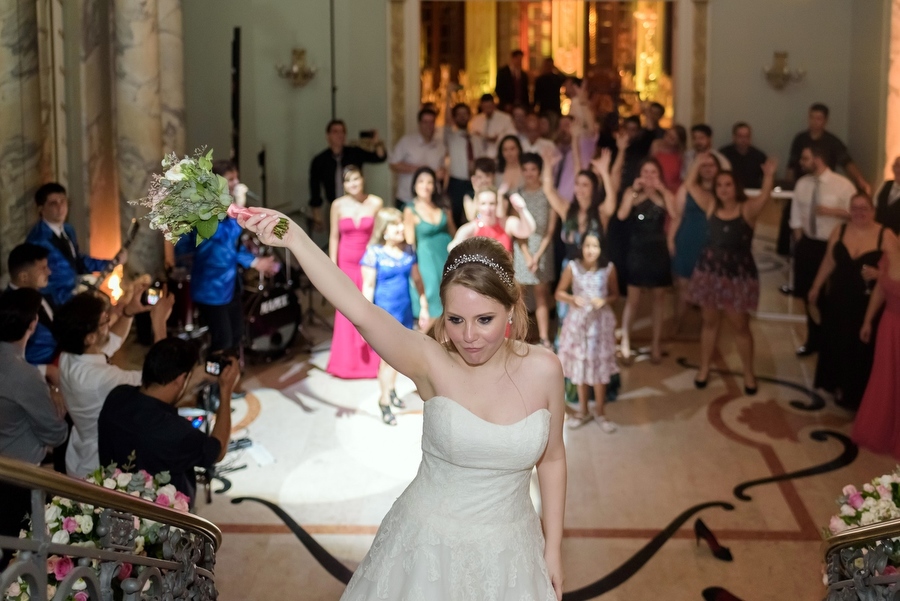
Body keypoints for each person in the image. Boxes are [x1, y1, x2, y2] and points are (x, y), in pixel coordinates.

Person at [237, 209, 566, 600]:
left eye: (484, 319)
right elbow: (359, 310)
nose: (469, 336)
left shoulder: (545, 369)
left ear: (511, 308)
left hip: (513, 552)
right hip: (425, 548)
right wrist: (294, 238)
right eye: (456, 319)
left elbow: (552, 459)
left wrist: (554, 547)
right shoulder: (430, 361)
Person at [98, 337, 240, 506]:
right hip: (165, 519)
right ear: (180, 379)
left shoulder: (117, 397)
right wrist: (226, 391)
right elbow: (218, 449)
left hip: (116, 500)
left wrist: (194, 376)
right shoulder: (178, 433)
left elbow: (158, 401)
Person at [55, 287, 173, 477]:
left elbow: (110, 342)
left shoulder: (69, 355)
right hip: (98, 465)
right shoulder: (99, 379)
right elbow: (158, 377)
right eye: (105, 321)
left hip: (79, 452)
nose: (109, 322)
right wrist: (159, 323)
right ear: (90, 337)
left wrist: (128, 313)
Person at [688, 161, 777, 393]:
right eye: (719, 185)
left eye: (728, 184)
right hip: (710, 273)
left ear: (735, 186)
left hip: (737, 276)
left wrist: (768, 175)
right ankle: (705, 368)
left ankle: (748, 374)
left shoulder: (747, 209)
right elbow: (690, 184)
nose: (723, 189)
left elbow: (766, 195)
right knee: (709, 323)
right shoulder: (709, 205)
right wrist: (698, 163)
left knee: (740, 326)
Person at [175, 160, 278, 356]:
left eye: (236, 178)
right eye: (231, 179)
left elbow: (231, 247)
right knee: (222, 340)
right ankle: (214, 383)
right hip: (211, 288)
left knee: (236, 335)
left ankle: (227, 381)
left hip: (229, 285)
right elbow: (222, 239)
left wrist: (254, 261)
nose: (236, 182)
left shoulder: (223, 207)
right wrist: (239, 205)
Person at [808, 194, 896, 409]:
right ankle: (837, 384)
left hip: (866, 301)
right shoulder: (840, 230)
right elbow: (829, 261)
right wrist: (816, 286)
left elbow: (896, 270)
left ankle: (857, 391)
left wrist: (879, 273)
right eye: (855, 208)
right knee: (837, 340)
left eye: (864, 208)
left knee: (859, 346)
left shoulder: (886, 235)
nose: (859, 213)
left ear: (873, 211)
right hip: (839, 296)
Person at [0, 288, 68, 543]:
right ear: (33, 324)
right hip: (18, 480)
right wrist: (57, 400)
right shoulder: (25, 376)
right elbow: (56, 433)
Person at [362, 208, 429, 426]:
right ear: (384, 230)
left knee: (399, 360)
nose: (401, 228)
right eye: (395, 224)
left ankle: (390, 391)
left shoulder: (409, 250)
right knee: (388, 361)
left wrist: (424, 305)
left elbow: (418, 281)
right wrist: (364, 320)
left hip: (405, 313)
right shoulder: (374, 253)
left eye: (401, 223)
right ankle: (384, 401)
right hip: (383, 316)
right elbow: (368, 287)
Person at [790, 143, 855, 356]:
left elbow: (857, 216)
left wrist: (832, 211)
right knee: (810, 295)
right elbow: (796, 216)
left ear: (818, 159)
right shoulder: (802, 184)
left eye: (805, 158)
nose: (801, 162)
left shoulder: (843, 185)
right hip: (809, 244)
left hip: (834, 246)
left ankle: (832, 344)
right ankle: (813, 339)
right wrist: (801, 243)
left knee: (831, 296)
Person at [555, 232, 619, 432]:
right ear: (581, 247)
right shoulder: (572, 267)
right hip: (578, 325)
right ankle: (583, 411)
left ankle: (600, 412)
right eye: (588, 246)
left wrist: (605, 300)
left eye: (595, 246)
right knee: (581, 367)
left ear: (601, 249)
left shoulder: (608, 269)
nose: (591, 250)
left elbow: (615, 294)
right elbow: (558, 292)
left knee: (599, 369)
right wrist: (571, 299)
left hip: (599, 326)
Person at [26, 182, 125, 307]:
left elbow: (77, 261)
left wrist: (112, 262)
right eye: (53, 203)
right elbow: (39, 279)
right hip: (54, 302)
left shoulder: (68, 230)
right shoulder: (37, 239)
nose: (60, 207)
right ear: (41, 209)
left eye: (63, 201)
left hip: (74, 298)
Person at [326, 166, 384, 379]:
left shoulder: (376, 202)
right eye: (348, 180)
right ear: (344, 184)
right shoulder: (337, 205)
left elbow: (379, 234)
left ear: (363, 179)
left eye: (356, 179)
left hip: (367, 262)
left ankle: (370, 361)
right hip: (346, 263)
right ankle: (345, 363)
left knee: (368, 308)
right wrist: (332, 266)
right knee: (345, 311)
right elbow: (334, 236)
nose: (353, 183)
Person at [617, 158, 676, 363]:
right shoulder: (631, 193)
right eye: (646, 172)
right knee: (633, 300)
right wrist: (634, 191)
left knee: (659, 300)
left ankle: (656, 344)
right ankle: (625, 342)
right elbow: (622, 214)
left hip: (658, 250)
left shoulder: (664, 194)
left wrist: (663, 190)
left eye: (654, 172)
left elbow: (675, 213)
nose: (650, 176)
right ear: (639, 174)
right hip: (637, 249)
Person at [853, 242, 900, 458]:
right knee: (885, 379)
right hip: (889, 325)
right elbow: (881, 289)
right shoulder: (890, 256)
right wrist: (868, 320)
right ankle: (882, 430)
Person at [670, 153, 721, 332]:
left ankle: (706, 326)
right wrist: (671, 240)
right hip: (687, 239)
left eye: (711, 165)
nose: (707, 169)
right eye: (703, 165)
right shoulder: (689, 188)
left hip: (709, 243)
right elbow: (677, 213)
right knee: (682, 285)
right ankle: (678, 322)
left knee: (707, 287)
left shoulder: (721, 191)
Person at [308, 119, 387, 232]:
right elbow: (314, 189)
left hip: (357, 203)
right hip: (333, 205)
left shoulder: (354, 153)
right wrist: (317, 215)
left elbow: (380, 157)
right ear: (328, 135)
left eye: (342, 132)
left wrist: (377, 142)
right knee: (335, 237)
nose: (340, 135)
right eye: (335, 132)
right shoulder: (320, 160)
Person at [513, 153, 558, 349]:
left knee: (541, 293)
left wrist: (537, 256)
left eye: (533, 169)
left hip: (543, 247)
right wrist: (526, 255)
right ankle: (520, 336)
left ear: (539, 171)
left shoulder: (548, 194)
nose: (529, 173)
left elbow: (550, 230)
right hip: (523, 247)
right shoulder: (518, 195)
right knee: (519, 296)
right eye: (526, 169)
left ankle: (544, 338)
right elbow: (516, 229)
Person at [404, 167, 454, 320]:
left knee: (450, 297)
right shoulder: (410, 210)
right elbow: (409, 243)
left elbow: (453, 232)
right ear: (414, 185)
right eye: (421, 181)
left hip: (446, 256)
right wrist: (413, 268)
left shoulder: (443, 206)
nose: (425, 186)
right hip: (426, 259)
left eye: (429, 182)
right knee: (431, 296)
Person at [6, 243, 57, 379]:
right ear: (24, 277)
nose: (49, 272)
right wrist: (46, 370)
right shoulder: (7, 309)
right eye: (43, 268)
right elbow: (7, 358)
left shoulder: (46, 295)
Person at [448, 189, 536, 254]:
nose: (488, 209)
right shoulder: (471, 228)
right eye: (483, 203)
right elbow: (452, 246)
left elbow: (528, 231)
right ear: (478, 205)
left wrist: (522, 210)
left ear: (497, 204)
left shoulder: (506, 223)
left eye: (492, 203)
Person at [389, 108, 447, 206]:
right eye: (425, 122)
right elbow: (393, 165)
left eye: (431, 122)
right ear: (419, 124)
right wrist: (421, 170)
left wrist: (441, 173)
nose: (429, 126)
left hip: (430, 200)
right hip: (407, 198)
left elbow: (442, 170)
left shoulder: (440, 146)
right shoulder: (407, 142)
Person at [444, 101, 475, 227]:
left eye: (465, 114)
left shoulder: (476, 138)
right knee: (454, 215)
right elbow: (446, 121)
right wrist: (448, 94)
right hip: (456, 183)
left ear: (469, 116)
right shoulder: (450, 136)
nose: (462, 117)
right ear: (454, 117)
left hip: (473, 182)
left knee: (473, 217)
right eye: (459, 114)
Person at [719, 122, 768, 190]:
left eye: (747, 136)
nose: (744, 140)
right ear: (734, 137)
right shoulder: (723, 154)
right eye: (740, 136)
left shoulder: (759, 156)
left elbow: (766, 179)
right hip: (730, 193)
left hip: (754, 194)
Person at [469, 93, 516, 160]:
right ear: (481, 106)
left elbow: (511, 136)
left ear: (494, 105)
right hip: (480, 157)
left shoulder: (505, 118)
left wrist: (498, 138)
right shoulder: (475, 121)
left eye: (489, 106)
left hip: (499, 156)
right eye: (485, 107)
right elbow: (471, 137)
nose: (487, 109)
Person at [651, 125, 687, 193]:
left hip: (673, 190)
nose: (667, 139)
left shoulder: (681, 154)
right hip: (655, 188)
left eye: (672, 138)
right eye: (667, 134)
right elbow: (649, 165)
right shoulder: (656, 145)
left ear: (679, 141)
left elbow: (683, 175)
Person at [873, 156, 900, 233]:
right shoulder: (885, 184)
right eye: (897, 166)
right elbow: (874, 206)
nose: (899, 170)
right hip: (877, 233)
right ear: (893, 168)